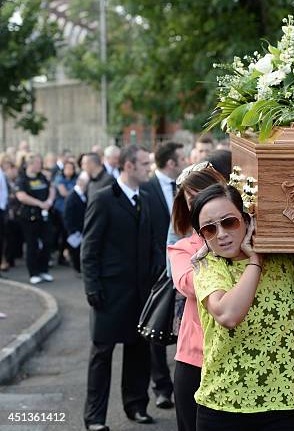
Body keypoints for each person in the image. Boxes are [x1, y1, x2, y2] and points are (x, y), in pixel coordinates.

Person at [190, 184, 294, 430]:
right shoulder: (209, 267)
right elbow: (228, 315)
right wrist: (255, 260)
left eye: (229, 222)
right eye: (210, 229)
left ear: (246, 220)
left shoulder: (283, 260)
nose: (221, 234)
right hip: (224, 407)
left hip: (283, 407)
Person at [81, 145, 161, 431]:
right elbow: (89, 248)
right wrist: (92, 287)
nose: (148, 168)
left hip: (141, 293)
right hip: (109, 294)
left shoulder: (148, 197)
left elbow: (152, 240)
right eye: (143, 164)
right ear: (128, 166)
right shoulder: (103, 198)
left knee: (139, 352)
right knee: (101, 354)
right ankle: (94, 418)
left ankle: (137, 406)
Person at [167, 162, 227, 431]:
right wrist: (213, 247)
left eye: (208, 195)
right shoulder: (182, 248)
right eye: (193, 200)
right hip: (196, 359)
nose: (201, 204)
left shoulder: (244, 242)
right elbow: (187, 284)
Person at [141, 141, 187, 410]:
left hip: (183, 267)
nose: (182, 162)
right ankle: (161, 387)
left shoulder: (183, 186)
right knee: (158, 330)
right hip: (157, 272)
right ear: (170, 161)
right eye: (180, 158)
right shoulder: (146, 190)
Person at [15, 153, 55, 285]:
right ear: (30, 164)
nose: (41, 165)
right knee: (32, 244)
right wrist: (39, 203)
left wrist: (49, 201)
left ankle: (44, 270)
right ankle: (34, 272)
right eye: (38, 163)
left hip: (44, 215)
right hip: (29, 216)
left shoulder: (42, 176)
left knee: (48, 241)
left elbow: (51, 188)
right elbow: (21, 196)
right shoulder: (22, 179)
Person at [53, 159, 78, 266]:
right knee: (64, 233)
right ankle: (62, 254)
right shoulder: (59, 179)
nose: (69, 170)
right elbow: (64, 193)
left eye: (71, 168)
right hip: (61, 209)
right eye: (67, 168)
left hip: (73, 210)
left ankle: (67, 254)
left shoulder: (76, 179)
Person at [63, 171, 88, 273]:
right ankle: (77, 269)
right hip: (75, 230)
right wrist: (72, 230)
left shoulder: (83, 195)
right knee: (76, 250)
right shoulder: (72, 197)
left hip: (81, 228)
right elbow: (67, 216)